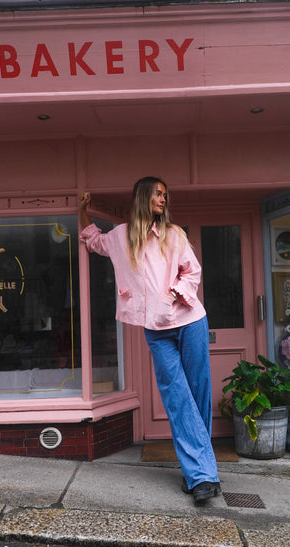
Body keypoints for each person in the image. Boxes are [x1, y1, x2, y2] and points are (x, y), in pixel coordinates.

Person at [79, 176, 220, 503]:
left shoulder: (174, 235)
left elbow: (192, 272)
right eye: (158, 193)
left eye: (165, 195)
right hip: (156, 331)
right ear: (143, 196)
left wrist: (176, 293)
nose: (163, 199)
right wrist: (81, 210)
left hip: (189, 320)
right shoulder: (119, 237)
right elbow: (92, 239)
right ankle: (203, 476)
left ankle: (197, 475)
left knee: (198, 394)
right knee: (177, 396)